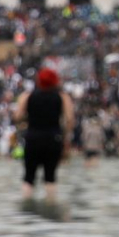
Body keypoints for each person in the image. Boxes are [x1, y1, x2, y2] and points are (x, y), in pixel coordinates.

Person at [21, 65, 71, 195]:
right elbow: (70, 119)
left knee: (28, 178)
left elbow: (17, 116)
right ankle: (51, 209)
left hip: (32, 138)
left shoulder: (28, 96)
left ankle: (27, 206)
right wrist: (66, 140)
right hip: (53, 139)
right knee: (50, 177)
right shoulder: (62, 97)